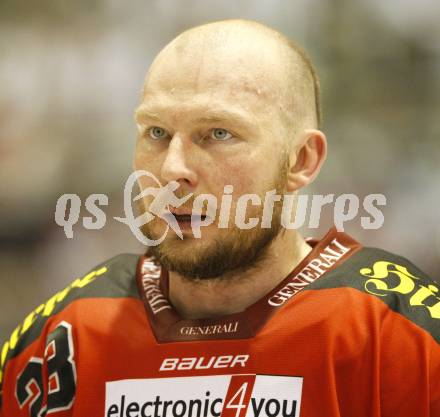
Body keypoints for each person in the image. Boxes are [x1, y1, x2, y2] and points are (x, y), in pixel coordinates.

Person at [1, 19, 439, 417]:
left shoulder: (397, 334)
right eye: (156, 132)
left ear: (302, 160)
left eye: (218, 134)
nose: (173, 169)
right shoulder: (68, 333)